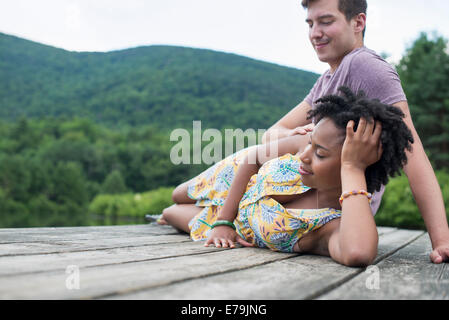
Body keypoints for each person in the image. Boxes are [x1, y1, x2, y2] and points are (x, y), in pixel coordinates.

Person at [259, 0, 449, 264]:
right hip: (305, 196)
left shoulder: (365, 66)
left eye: (325, 22)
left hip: (338, 209)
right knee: (186, 203)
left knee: (195, 206)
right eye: (310, 24)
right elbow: (270, 136)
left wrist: (442, 241)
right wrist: (306, 135)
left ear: (358, 23)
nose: (315, 32)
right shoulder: (325, 81)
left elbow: (412, 154)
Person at [161, 87, 414, 267]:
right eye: (311, 143)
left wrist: (353, 168)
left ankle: (185, 214)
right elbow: (252, 160)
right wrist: (223, 221)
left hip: (238, 225)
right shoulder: (305, 147)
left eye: (320, 154)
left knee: (171, 212)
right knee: (177, 194)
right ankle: (211, 210)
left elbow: (358, 253)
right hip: (236, 176)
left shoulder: (330, 225)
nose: (305, 155)